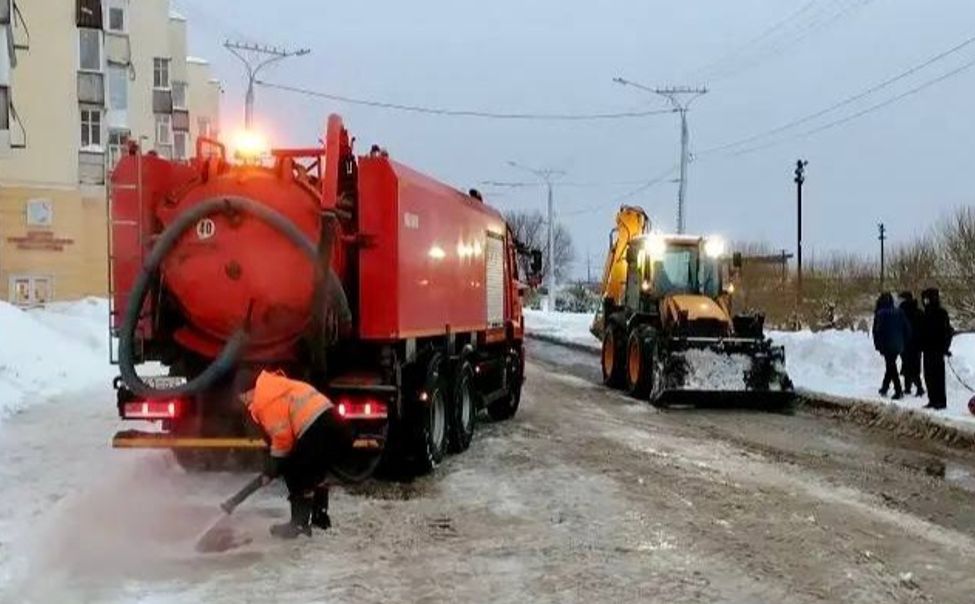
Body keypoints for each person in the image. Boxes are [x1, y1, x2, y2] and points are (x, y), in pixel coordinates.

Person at [240, 370, 351, 538]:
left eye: (244, 398)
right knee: (314, 471)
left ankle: (298, 524)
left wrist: (273, 469)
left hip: (316, 429)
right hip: (336, 425)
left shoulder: (265, 401)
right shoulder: (277, 388)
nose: (245, 403)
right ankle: (319, 517)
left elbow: (282, 440)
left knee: (294, 470)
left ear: (251, 390)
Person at [872, 292, 911, 400]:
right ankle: (885, 387)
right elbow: (907, 328)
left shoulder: (880, 314)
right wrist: (904, 341)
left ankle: (898, 390)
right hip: (899, 344)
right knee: (891, 365)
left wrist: (878, 345)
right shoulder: (899, 312)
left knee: (891, 366)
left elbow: (877, 331)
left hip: (887, 344)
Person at [920, 288, 954, 410]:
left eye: (926, 298)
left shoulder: (941, 313)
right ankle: (932, 400)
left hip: (937, 350)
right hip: (927, 349)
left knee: (938, 376)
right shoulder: (926, 313)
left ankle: (940, 401)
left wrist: (945, 347)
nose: (924, 301)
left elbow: (947, 331)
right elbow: (922, 332)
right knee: (928, 376)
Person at [897, 291, 925, 396]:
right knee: (911, 366)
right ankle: (909, 387)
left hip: (907, 343)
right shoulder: (919, 312)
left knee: (909, 366)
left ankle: (918, 387)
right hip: (916, 344)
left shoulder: (902, 313)